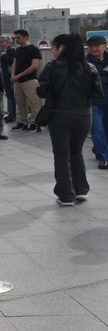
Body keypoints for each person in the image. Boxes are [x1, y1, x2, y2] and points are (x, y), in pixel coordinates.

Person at [37, 33, 103, 205]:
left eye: (53, 47)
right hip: (83, 115)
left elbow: (41, 92)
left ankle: (65, 195)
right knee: (76, 152)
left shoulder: (52, 67)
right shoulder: (89, 67)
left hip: (59, 115)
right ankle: (81, 190)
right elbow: (97, 93)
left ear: (61, 47)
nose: (52, 51)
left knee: (61, 155)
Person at [11, 29, 43, 133]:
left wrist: (19, 75)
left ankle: (35, 123)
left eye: (18, 37)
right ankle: (22, 122)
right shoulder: (18, 50)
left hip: (29, 80)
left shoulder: (34, 49)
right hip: (18, 81)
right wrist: (13, 75)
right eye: (15, 38)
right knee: (20, 102)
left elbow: (35, 66)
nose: (16, 40)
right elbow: (14, 63)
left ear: (26, 37)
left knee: (34, 102)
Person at [85, 35, 108, 169]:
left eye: (97, 46)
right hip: (93, 101)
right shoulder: (85, 62)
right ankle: (103, 157)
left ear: (105, 46)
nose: (94, 49)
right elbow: (90, 81)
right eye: (91, 46)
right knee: (97, 129)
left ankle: (99, 148)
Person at [0, 36, 17, 122]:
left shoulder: (11, 50)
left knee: (11, 96)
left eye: (2, 41)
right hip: (6, 76)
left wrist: (3, 56)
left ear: (7, 42)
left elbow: (13, 61)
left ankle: (13, 114)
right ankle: (11, 113)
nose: (0, 43)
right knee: (9, 96)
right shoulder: (5, 51)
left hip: (9, 77)